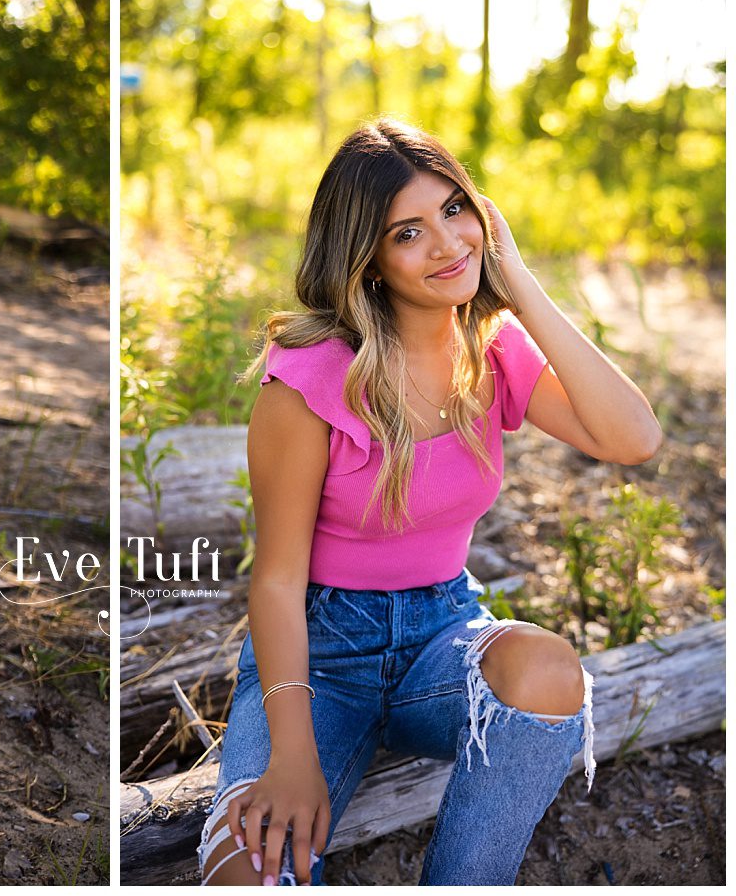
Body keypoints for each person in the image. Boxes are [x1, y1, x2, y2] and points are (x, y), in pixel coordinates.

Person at [196, 120, 661, 886]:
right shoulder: (310, 380)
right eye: (408, 232)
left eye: (455, 209)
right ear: (368, 259)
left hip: (441, 637)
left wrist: (518, 279)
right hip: (320, 653)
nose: (447, 244)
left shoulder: (493, 349)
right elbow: (275, 581)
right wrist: (292, 755)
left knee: (547, 668)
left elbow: (634, 436)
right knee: (248, 871)